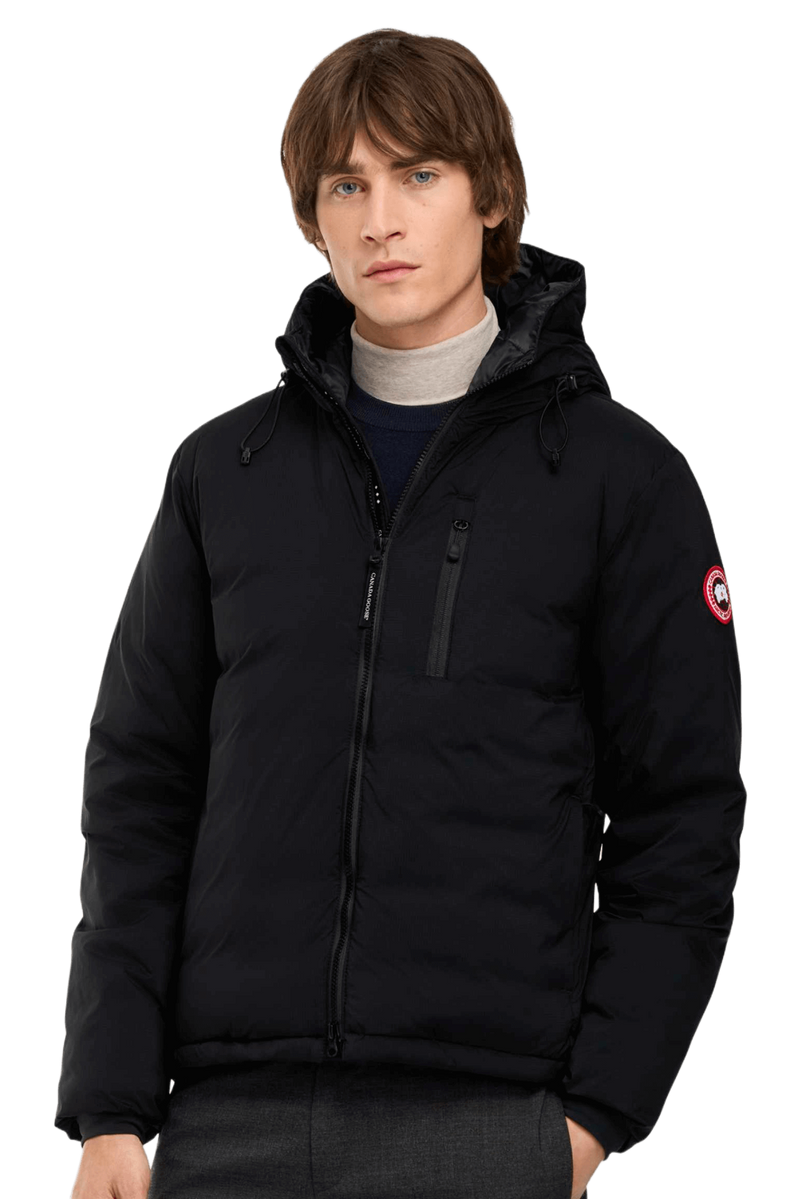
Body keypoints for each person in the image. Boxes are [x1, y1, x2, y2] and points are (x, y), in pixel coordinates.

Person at [54, 26, 748, 1199]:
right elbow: (137, 789)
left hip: (489, 1121)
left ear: (490, 195)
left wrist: (591, 1116)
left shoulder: (620, 478)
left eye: (418, 173)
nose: (380, 219)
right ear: (311, 218)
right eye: (346, 185)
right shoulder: (222, 471)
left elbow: (680, 816)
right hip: (228, 1125)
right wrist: (110, 1106)